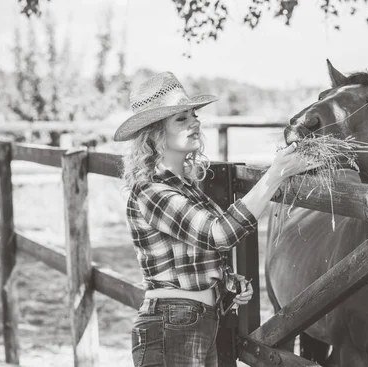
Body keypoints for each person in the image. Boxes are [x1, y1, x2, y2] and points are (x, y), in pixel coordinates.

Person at [114, 72, 318, 367]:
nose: (195, 122)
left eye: (193, 115)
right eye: (181, 119)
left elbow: (189, 255)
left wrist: (225, 281)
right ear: (155, 133)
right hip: (172, 325)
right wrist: (276, 174)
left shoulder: (183, 187)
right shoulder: (152, 191)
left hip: (194, 323)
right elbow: (219, 234)